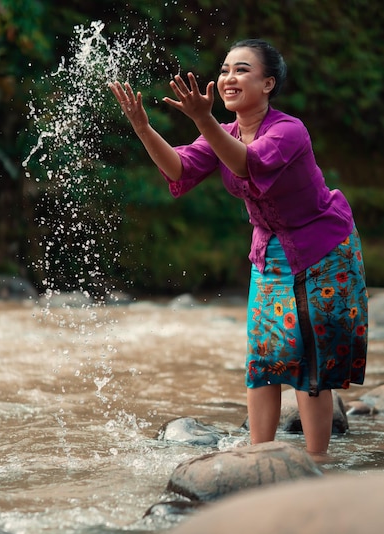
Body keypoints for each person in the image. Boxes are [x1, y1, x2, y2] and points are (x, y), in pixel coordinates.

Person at [109, 38, 368, 458]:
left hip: (322, 250)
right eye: (226, 69)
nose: (229, 77)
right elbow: (178, 167)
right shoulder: (224, 132)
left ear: (267, 84)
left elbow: (246, 162)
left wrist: (204, 120)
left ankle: (318, 464)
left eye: (242, 70)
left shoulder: (288, 131)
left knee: (310, 364)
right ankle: (257, 457)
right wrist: (142, 127)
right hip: (269, 253)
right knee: (263, 359)